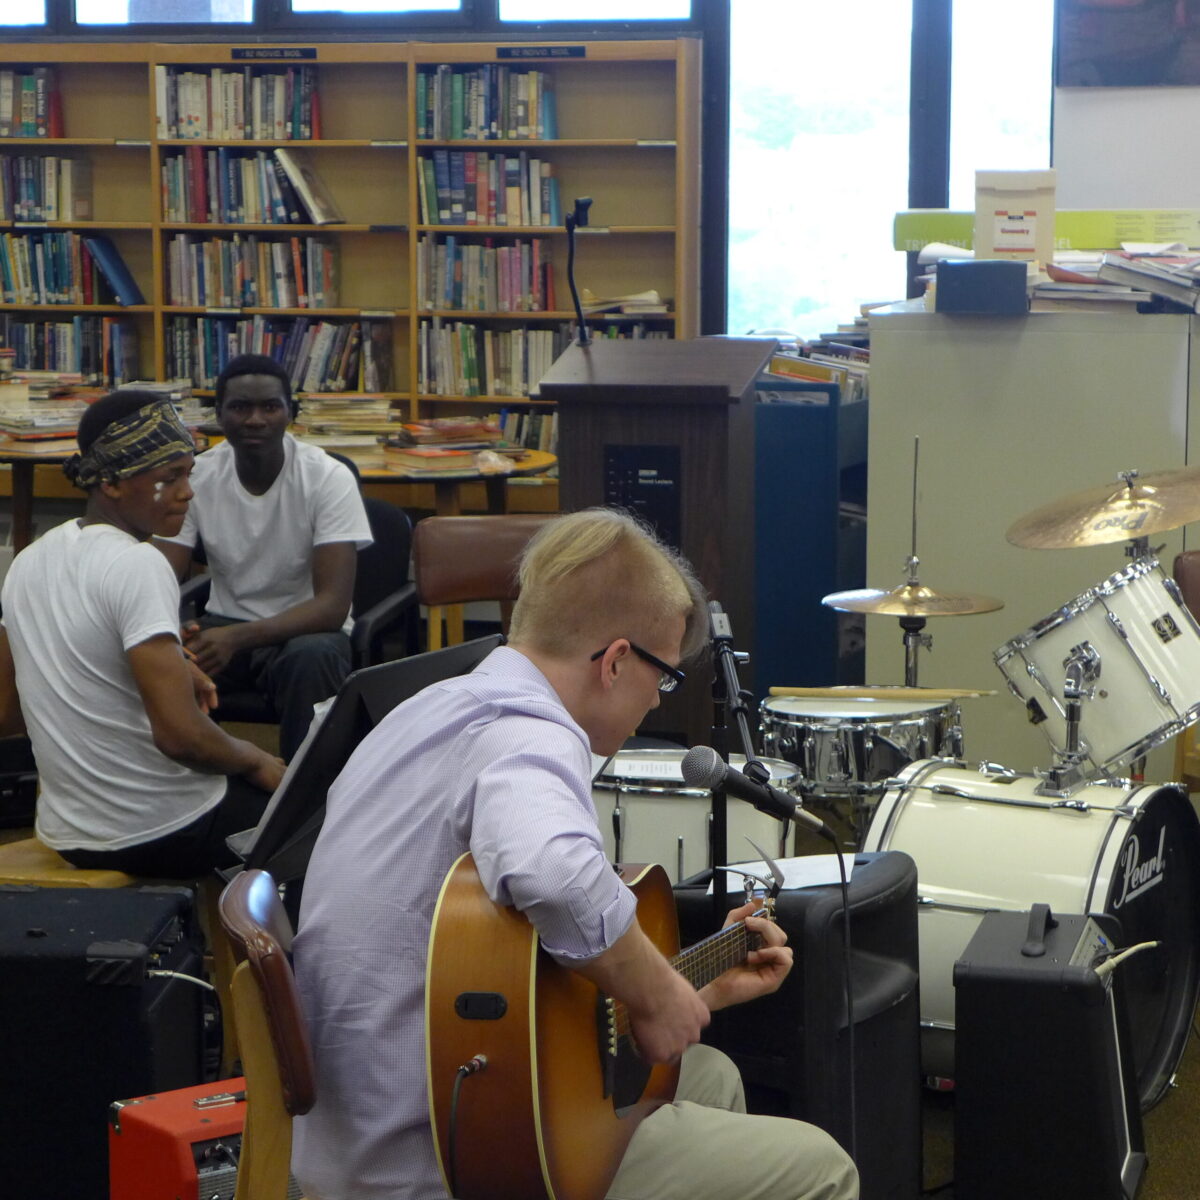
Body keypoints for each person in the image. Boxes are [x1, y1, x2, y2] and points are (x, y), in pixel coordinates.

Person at [292, 507, 859, 1200]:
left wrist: (692, 985)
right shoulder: (530, 736)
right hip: (438, 1160)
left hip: (371, 1128)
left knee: (709, 1075)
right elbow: (554, 876)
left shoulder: (427, 709)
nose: (656, 703)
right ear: (617, 661)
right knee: (822, 1168)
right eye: (665, 679)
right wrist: (654, 995)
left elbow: (504, 984)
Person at [0, 391, 285, 878]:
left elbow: (7, 712)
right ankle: (278, 952)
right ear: (110, 481)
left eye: (188, 474)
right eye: (168, 477)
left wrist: (161, 666)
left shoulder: (29, 559)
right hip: (161, 829)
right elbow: (182, 739)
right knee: (329, 817)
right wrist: (258, 761)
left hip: (66, 831)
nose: (187, 492)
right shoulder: (138, 563)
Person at [155, 353, 372, 761]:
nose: (255, 419)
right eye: (240, 407)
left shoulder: (327, 477)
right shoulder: (196, 475)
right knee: (160, 652)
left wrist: (236, 639)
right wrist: (170, 635)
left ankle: (301, 808)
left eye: (270, 406)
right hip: (223, 624)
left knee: (314, 656)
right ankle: (195, 801)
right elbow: (159, 574)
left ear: (290, 412)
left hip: (304, 630)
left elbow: (331, 607)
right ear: (219, 413)